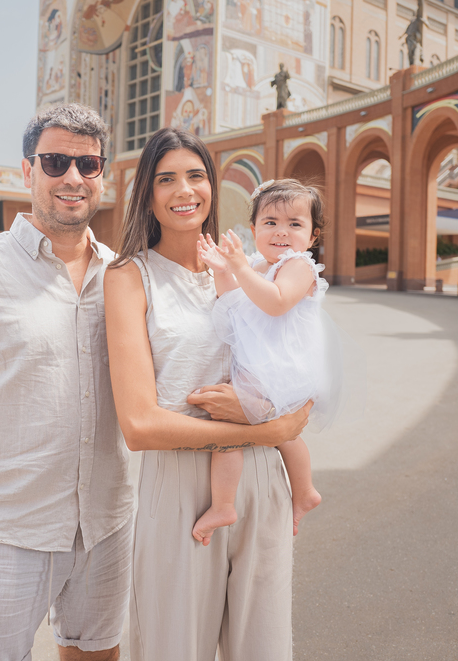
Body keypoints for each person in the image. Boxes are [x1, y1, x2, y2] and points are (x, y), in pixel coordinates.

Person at [0, 104, 133, 661]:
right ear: (27, 171)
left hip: (106, 527)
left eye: (88, 164)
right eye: (55, 162)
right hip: (9, 536)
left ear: (102, 174)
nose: (73, 177)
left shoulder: (123, 276)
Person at [104, 127, 311, 661]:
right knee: (173, 649)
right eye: (166, 179)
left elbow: (300, 358)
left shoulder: (254, 265)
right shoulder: (130, 275)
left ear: (213, 186)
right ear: (147, 193)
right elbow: (139, 426)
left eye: (196, 175)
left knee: (263, 648)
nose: (184, 190)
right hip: (178, 483)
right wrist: (267, 428)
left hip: (262, 479)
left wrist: (281, 421)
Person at [191, 179, 344, 545]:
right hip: (261, 364)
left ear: (313, 235)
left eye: (295, 224)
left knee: (229, 423)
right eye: (271, 222)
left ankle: (223, 505)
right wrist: (223, 270)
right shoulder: (258, 264)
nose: (281, 232)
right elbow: (234, 303)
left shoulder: (299, 266)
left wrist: (240, 269)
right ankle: (305, 492)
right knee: (281, 433)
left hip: (281, 367)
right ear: (253, 229)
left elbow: (276, 302)